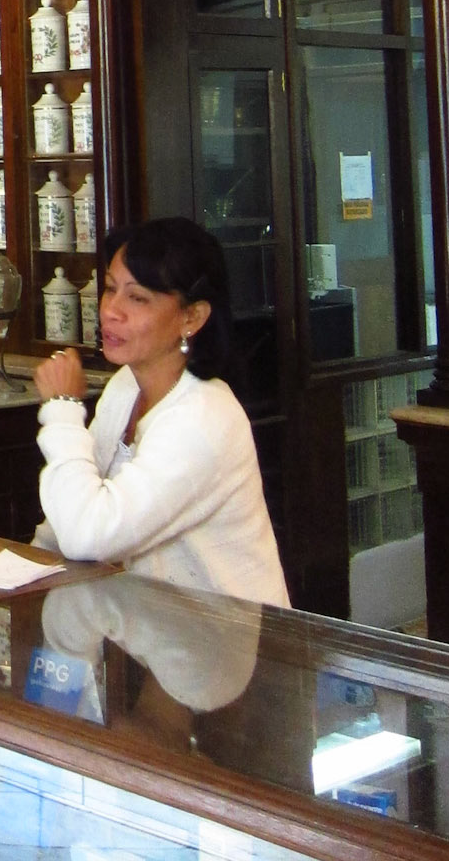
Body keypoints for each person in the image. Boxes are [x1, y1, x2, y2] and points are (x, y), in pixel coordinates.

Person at [32, 216, 288, 605]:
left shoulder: (204, 418)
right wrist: (25, 568)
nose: (111, 311)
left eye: (137, 298)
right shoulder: (125, 386)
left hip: (224, 647)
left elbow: (88, 535)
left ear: (192, 317)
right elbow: (65, 525)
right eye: (110, 289)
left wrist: (63, 409)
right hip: (151, 637)